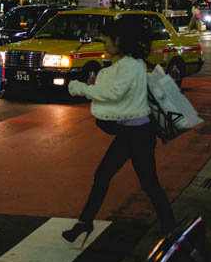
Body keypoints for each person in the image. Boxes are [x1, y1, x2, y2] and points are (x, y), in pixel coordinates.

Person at [63, 14, 175, 246]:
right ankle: (85, 222)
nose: (104, 46)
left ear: (118, 41)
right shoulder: (127, 64)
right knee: (103, 175)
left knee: (148, 182)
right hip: (129, 133)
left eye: (106, 42)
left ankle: (170, 225)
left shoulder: (132, 65)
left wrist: (80, 88)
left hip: (139, 135)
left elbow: (114, 94)